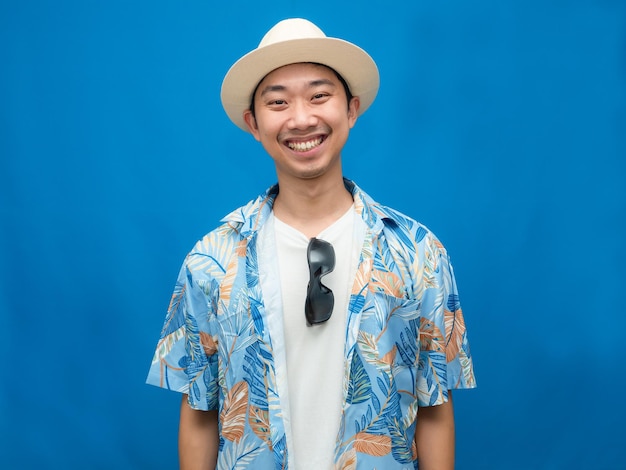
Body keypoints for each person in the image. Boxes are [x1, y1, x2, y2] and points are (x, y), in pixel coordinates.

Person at [147, 18, 476, 470]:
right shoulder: (211, 260)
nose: (301, 119)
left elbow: (435, 406)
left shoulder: (418, 252)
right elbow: (201, 412)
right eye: (278, 102)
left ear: (351, 109)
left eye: (319, 96)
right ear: (254, 123)